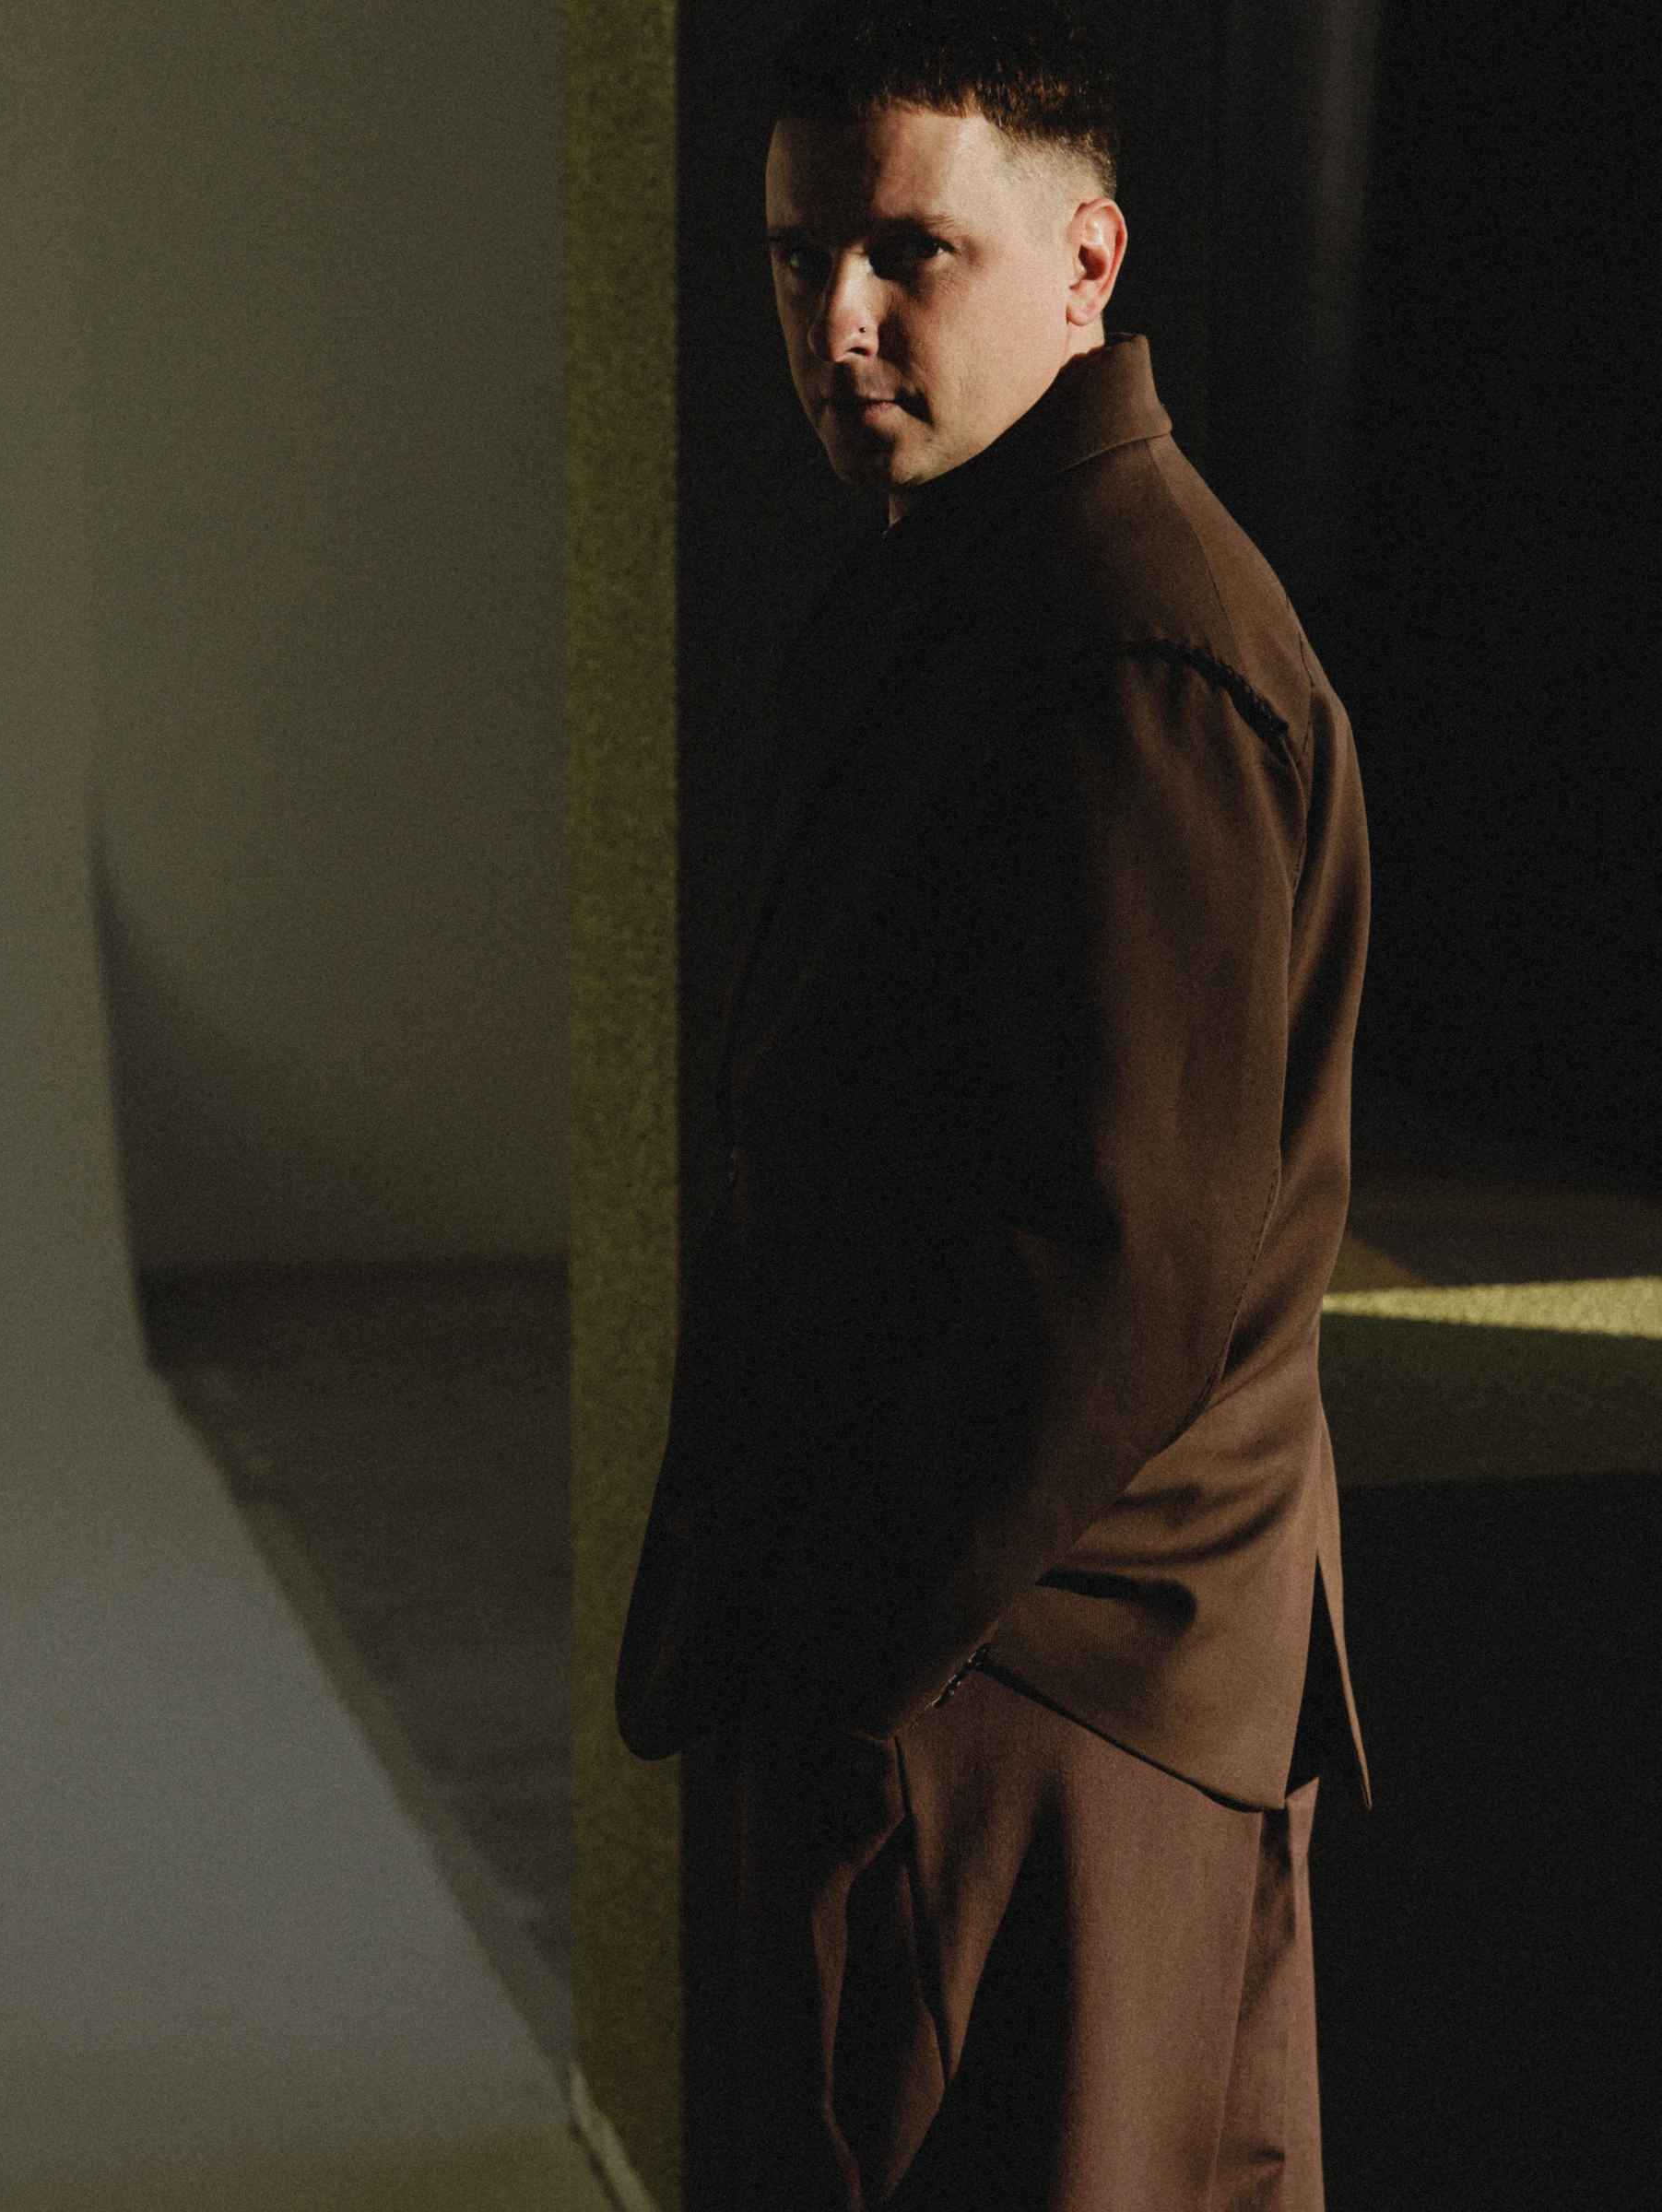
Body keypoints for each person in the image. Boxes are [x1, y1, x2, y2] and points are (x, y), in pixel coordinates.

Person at [617, 4, 1371, 2205]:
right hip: (1013, 1679)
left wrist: (858, 1649)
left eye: (906, 251)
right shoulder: (983, 581)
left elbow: (1128, 1265)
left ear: (1088, 262)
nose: (837, 319)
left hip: (1036, 1694)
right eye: (797, 258)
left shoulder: (1134, 647)